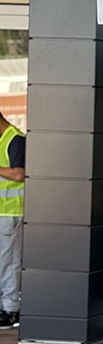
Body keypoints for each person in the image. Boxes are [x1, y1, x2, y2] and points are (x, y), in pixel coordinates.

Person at [0, 111, 25, 330]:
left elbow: (19, 175)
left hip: (10, 213)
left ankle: (10, 310)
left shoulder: (15, 139)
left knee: (8, 262)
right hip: (2, 212)